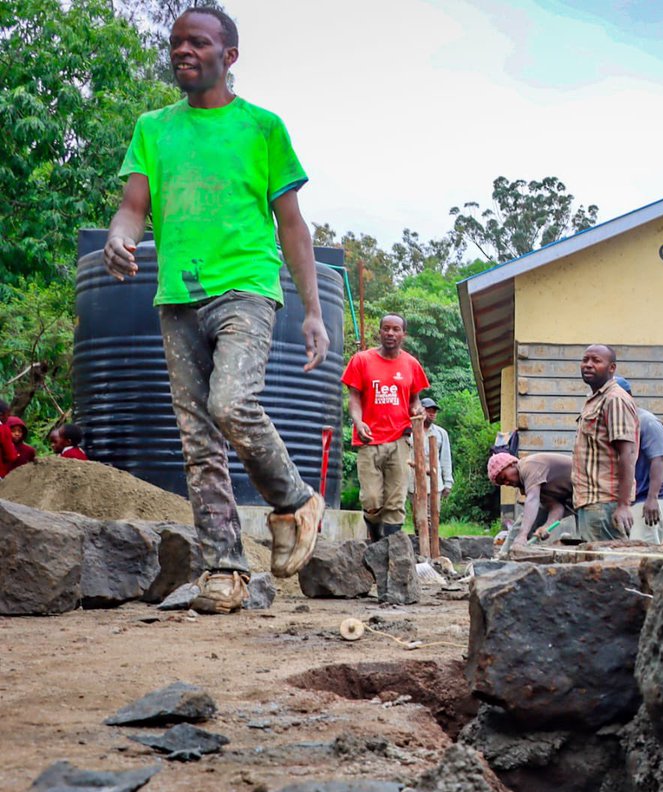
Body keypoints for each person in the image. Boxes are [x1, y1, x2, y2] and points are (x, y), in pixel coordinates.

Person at [104, 7, 329, 614]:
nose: (183, 51)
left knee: (230, 403)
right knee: (196, 438)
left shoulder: (262, 128)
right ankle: (225, 569)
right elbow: (134, 207)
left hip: (246, 288)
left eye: (197, 43)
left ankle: (294, 500)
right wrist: (120, 234)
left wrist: (313, 311)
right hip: (176, 296)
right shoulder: (154, 128)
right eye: (176, 42)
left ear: (228, 56)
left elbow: (292, 224)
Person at [342, 314, 428, 542]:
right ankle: (376, 537)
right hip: (368, 439)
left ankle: (391, 550)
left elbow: (414, 400)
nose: (391, 333)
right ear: (379, 332)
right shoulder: (361, 360)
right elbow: (354, 398)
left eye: (396, 329)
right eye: (386, 329)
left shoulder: (411, 364)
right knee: (371, 500)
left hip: (399, 439)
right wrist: (358, 422)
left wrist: (418, 409)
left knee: (396, 500)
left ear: (403, 334)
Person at [572, 345, 639, 541]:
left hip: (605, 503)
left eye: (596, 361)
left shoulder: (614, 399)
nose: (588, 365)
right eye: (585, 360)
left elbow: (627, 454)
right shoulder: (595, 400)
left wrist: (623, 505)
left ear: (612, 368)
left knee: (606, 566)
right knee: (592, 566)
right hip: (590, 502)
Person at [614, 377, 663, 544]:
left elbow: (658, 460)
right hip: (628, 500)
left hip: (648, 500)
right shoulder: (617, 424)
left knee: (641, 551)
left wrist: (652, 498)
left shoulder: (647, 422)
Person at [488, 451, 574, 554]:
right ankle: (504, 556)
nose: (507, 483)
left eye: (504, 478)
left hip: (591, 490)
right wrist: (546, 527)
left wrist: (523, 535)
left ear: (512, 464)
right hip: (575, 499)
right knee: (522, 523)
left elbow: (533, 499)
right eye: (503, 483)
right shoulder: (525, 483)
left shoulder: (529, 466)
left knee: (592, 539)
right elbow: (556, 507)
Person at [412, 397, 453, 501]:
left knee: (433, 515)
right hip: (414, 484)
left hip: (435, 483)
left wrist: (448, 482)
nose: (432, 414)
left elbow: (445, 459)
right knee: (418, 516)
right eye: (428, 410)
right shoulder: (411, 432)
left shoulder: (441, 433)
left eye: (434, 411)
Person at [0, 399, 17, 479]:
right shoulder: (3, 429)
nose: (8, 418)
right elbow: (11, 456)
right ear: (1, 415)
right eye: (8, 415)